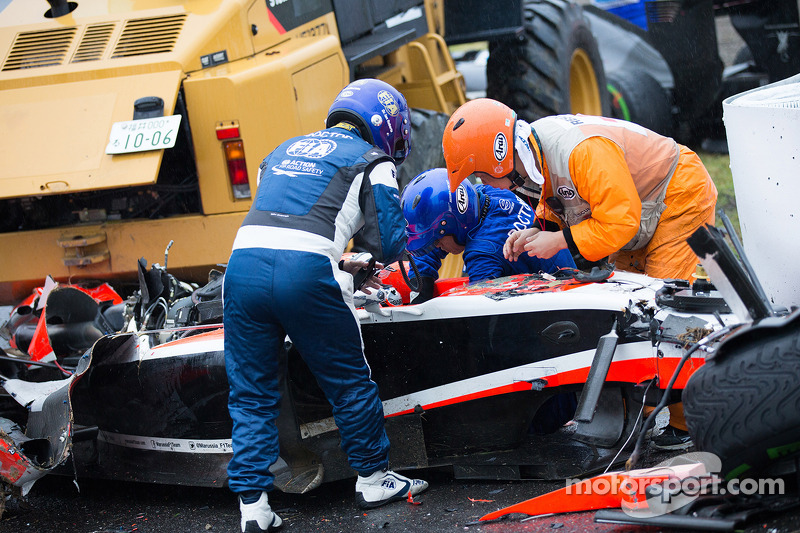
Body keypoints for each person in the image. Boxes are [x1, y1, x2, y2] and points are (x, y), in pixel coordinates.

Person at [441, 98, 717, 451]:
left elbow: (619, 219)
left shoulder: (580, 152)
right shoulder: (533, 159)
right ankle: (640, 413)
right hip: (639, 212)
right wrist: (534, 233)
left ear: (498, 158)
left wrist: (558, 239)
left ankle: (687, 424)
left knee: (661, 313)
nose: (483, 183)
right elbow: (568, 206)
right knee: (625, 314)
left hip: (677, 195)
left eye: (480, 174)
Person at [223, 79, 428, 533]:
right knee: (349, 381)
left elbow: (285, 218)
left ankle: (253, 509)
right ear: (387, 126)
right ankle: (374, 478)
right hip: (305, 273)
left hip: (242, 268)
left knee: (251, 393)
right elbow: (389, 242)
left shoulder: (280, 151)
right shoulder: (372, 161)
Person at [400, 168, 576, 301]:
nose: (437, 247)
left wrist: (420, 301)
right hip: (571, 282)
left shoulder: (482, 253)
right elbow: (439, 236)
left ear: (455, 225)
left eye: (435, 242)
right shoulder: (487, 193)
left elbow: (477, 319)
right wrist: (421, 282)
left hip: (559, 307)